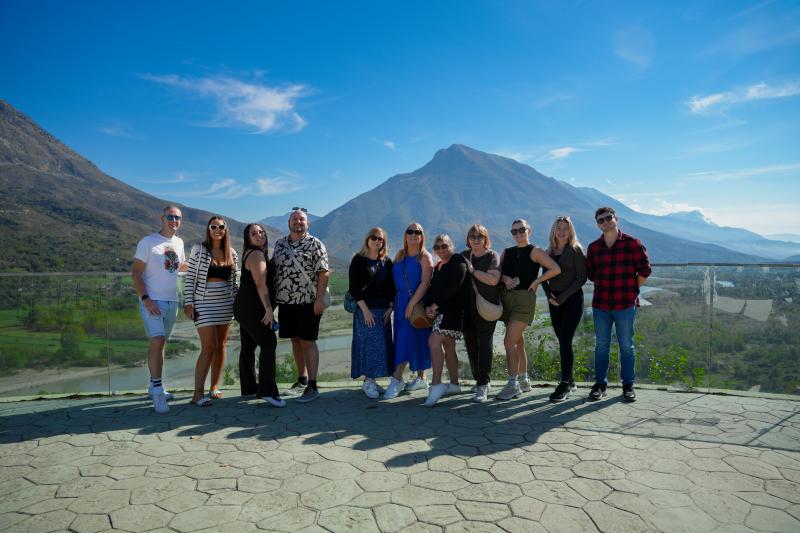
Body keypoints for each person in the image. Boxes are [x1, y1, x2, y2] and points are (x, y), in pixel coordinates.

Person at [586, 207, 651, 402]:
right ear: (597, 224)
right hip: (601, 305)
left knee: (626, 346)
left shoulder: (632, 243)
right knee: (601, 346)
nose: (605, 222)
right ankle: (600, 384)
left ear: (616, 218)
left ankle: (628, 385)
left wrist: (633, 290)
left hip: (625, 305)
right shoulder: (594, 248)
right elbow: (591, 274)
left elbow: (645, 270)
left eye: (608, 218)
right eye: (601, 220)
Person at [131, 205, 186, 414]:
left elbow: (178, 266)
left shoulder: (179, 242)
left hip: (172, 301)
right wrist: (145, 299)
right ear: (162, 218)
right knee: (157, 340)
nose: (174, 220)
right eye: (170, 216)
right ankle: (156, 390)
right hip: (152, 301)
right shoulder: (148, 242)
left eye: (178, 217)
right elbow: (136, 272)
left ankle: (155, 384)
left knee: (161, 343)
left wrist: (207, 265)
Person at [498, 219, 560, 401]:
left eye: (521, 230)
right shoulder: (507, 252)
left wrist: (537, 281)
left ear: (529, 231)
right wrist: (505, 278)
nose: (518, 234)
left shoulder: (536, 252)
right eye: (514, 231)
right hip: (508, 299)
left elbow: (555, 269)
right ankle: (524, 380)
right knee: (518, 341)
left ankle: (512, 385)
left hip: (525, 300)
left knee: (509, 342)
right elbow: (497, 273)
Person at [272, 208, 330, 403]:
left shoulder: (315, 244)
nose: (298, 222)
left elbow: (323, 272)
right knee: (295, 340)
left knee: (308, 341)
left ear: (308, 223)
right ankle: (302, 379)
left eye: (302, 219)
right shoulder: (280, 244)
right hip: (286, 302)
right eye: (295, 219)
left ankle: (313, 386)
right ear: (289, 223)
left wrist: (320, 299)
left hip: (308, 302)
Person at [184, 216, 239, 406]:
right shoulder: (199, 250)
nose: (217, 229)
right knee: (208, 346)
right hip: (204, 304)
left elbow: (235, 282)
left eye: (221, 227)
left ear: (225, 230)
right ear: (208, 229)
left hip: (225, 304)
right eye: (213, 226)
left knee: (221, 345)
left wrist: (238, 304)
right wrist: (188, 302)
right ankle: (197, 395)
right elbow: (190, 278)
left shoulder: (231, 252)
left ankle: (214, 386)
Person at [233, 223, 285, 407]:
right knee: (269, 343)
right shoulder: (256, 255)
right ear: (248, 238)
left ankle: (249, 389)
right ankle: (268, 391)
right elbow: (260, 284)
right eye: (253, 233)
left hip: (244, 308)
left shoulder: (253, 253)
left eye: (261, 232)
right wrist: (269, 310)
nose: (259, 235)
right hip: (253, 308)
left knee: (248, 347)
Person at [384, 223, 434, 399]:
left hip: (415, 303)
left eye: (417, 232)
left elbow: (425, 283)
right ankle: (422, 377)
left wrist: (412, 303)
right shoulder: (400, 255)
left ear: (422, 236)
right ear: (405, 235)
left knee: (407, 338)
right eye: (410, 231)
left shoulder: (425, 257)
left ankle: (396, 379)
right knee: (410, 338)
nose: (413, 234)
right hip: (399, 302)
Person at [542, 216, 587, 402]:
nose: (561, 231)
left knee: (566, 340)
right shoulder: (549, 251)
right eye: (558, 228)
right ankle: (571, 379)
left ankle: (565, 383)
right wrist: (550, 296)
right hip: (555, 302)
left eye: (565, 228)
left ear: (570, 231)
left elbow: (582, 277)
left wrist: (562, 297)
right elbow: (543, 276)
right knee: (562, 341)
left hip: (572, 300)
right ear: (553, 231)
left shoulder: (576, 250)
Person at [349, 227, 395, 398]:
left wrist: (390, 309)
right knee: (370, 344)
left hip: (383, 310)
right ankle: (368, 381)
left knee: (381, 346)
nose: (377, 241)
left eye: (380, 239)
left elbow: (392, 287)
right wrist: (365, 311)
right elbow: (354, 288)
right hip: (365, 310)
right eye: (374, 238)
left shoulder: (386, 262)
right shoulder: (358, 260)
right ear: (367, 239)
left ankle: (372, 381)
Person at [424, 234, 469, 407]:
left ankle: (436, 384)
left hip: (452, 313)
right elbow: (432, 289)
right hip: (441, 311)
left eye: (444, 246)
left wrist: (436, 305)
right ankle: (454, 385)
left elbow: (455, 286)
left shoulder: (458, 261)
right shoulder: (438, 267)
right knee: (448, 345)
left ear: (451, 245)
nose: (441, 250)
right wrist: (429, 305)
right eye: (437, 247)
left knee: (433, 341)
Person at [461, 224, 502, 403]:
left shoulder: (492, 256)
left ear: (485, 239)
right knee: (470, 344)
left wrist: (473, 270)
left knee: (484, 344)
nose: (476, 239)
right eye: (473, 236)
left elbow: (493, 280)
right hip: (467, 308)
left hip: (485, 307)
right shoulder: (463, 256)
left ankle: (483, 383)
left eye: (480, 236)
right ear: (468, 239)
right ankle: (479, 378)